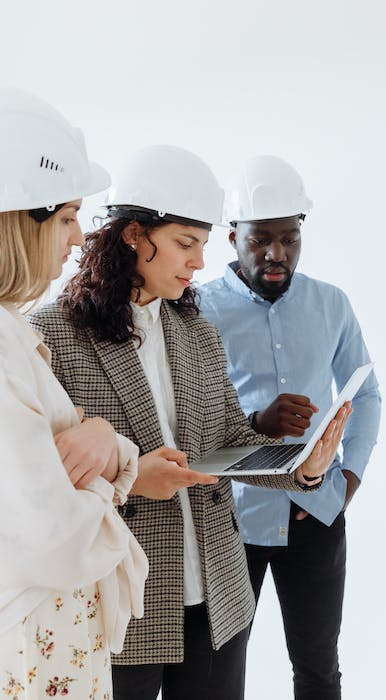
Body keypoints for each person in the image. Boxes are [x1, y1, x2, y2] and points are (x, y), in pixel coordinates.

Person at [29, 145, 351, 700]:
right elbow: (32, 482)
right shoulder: (53, 334)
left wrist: (302, 469)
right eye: (184, 244)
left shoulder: (195, 329)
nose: (198, 263)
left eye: (202, 245)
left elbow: (230, 441)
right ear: (133, 235)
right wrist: (130, 479)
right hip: (122, 601)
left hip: (218, 596)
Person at [199, 155, 381, 699]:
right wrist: (256, 423)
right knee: (219, 668)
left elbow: (366, 393)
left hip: (316, 514)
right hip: (231, 520)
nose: (276, 253)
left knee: (319, 664)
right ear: (234, 238)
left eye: (289, 238)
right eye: (260, 240)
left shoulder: (331, 304)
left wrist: (348, 481)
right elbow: (188, 418)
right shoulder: (196, 310)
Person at [0, 88, 147, 700]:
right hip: (35, 642)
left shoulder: (13, 330)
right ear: (18, 218)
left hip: (50, 642)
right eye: (65, 217)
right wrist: (110, 463)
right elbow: (51, 533)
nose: (80, 236)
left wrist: (102, 441)